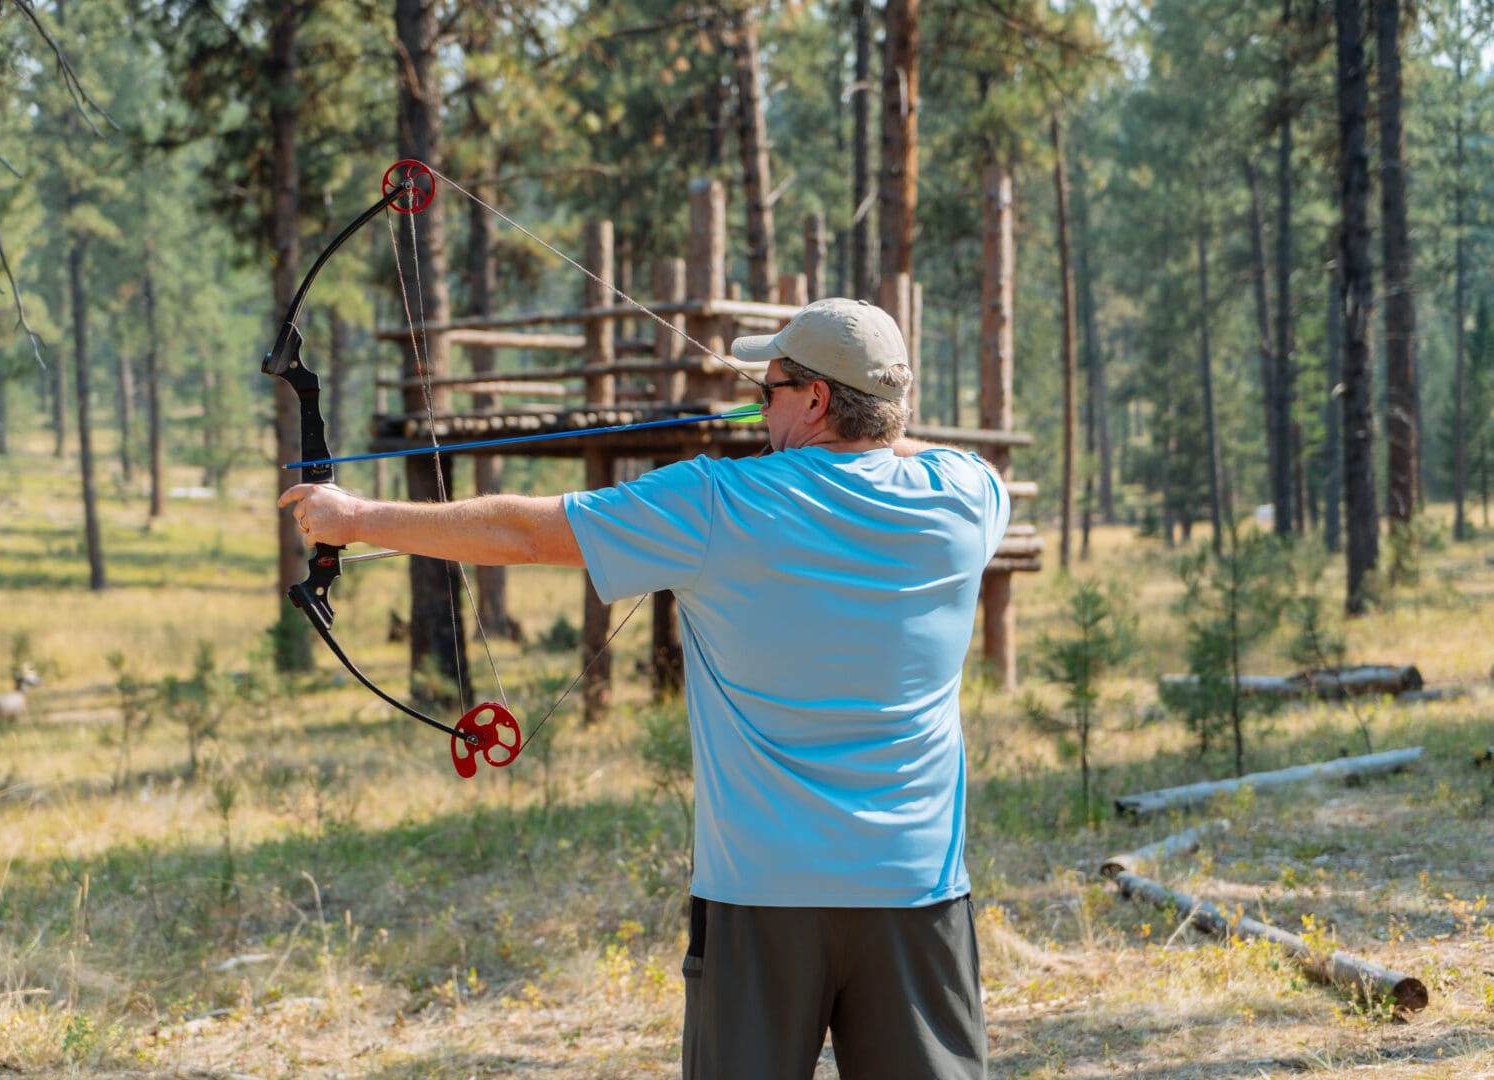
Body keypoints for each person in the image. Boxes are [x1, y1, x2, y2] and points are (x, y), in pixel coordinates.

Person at [280, 297, 1010, 1079]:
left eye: (768, 392)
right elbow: (905, 449)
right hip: (916, 886)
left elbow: (523, 533)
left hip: (760, 893)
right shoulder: (964, 498)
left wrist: (352, 517)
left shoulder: (716, 503)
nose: (759, 409)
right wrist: (874, 423)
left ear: (816, 399)